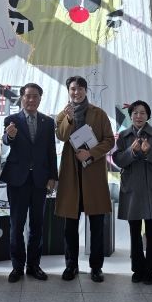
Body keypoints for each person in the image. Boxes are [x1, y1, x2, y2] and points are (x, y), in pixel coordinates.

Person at [55, 75, 114, 283]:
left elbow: (109, 140)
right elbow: (61, 136)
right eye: (73, 89)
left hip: (93, 175)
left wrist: (91, 153)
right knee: (70, 227)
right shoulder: (62, 115)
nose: (76, 92)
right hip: (71, 176)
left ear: (86, 91)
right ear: (68, 91)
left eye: (80, 89)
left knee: (96, 226)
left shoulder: (99, 114)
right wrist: (69, 119)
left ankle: (96, 267)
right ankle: (71, 265)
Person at [1, 83, 58, 283]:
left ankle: (34, 265)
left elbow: (51, 150)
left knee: (37, 225)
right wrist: (9, 136)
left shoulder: (48, 122)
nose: (31, 100)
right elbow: (6, 140)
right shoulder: (11, 120)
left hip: (40, 180)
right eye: (27, 96)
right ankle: (17, 267)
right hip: (18, 179)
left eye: (35, 96)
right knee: (16, 225)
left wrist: (53, 176)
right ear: (21, 98)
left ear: (40, 99)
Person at [113, 100, 152, 285]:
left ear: (148, 116)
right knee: (134, 232)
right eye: (135, 113)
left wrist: (149, 152)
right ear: (130, 116)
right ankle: (137, 269)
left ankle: (150, 271)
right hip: (132, 189)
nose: (139, 116)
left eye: (142, 113)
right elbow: (118, 160)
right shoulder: (123, 136)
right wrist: (131, 152)